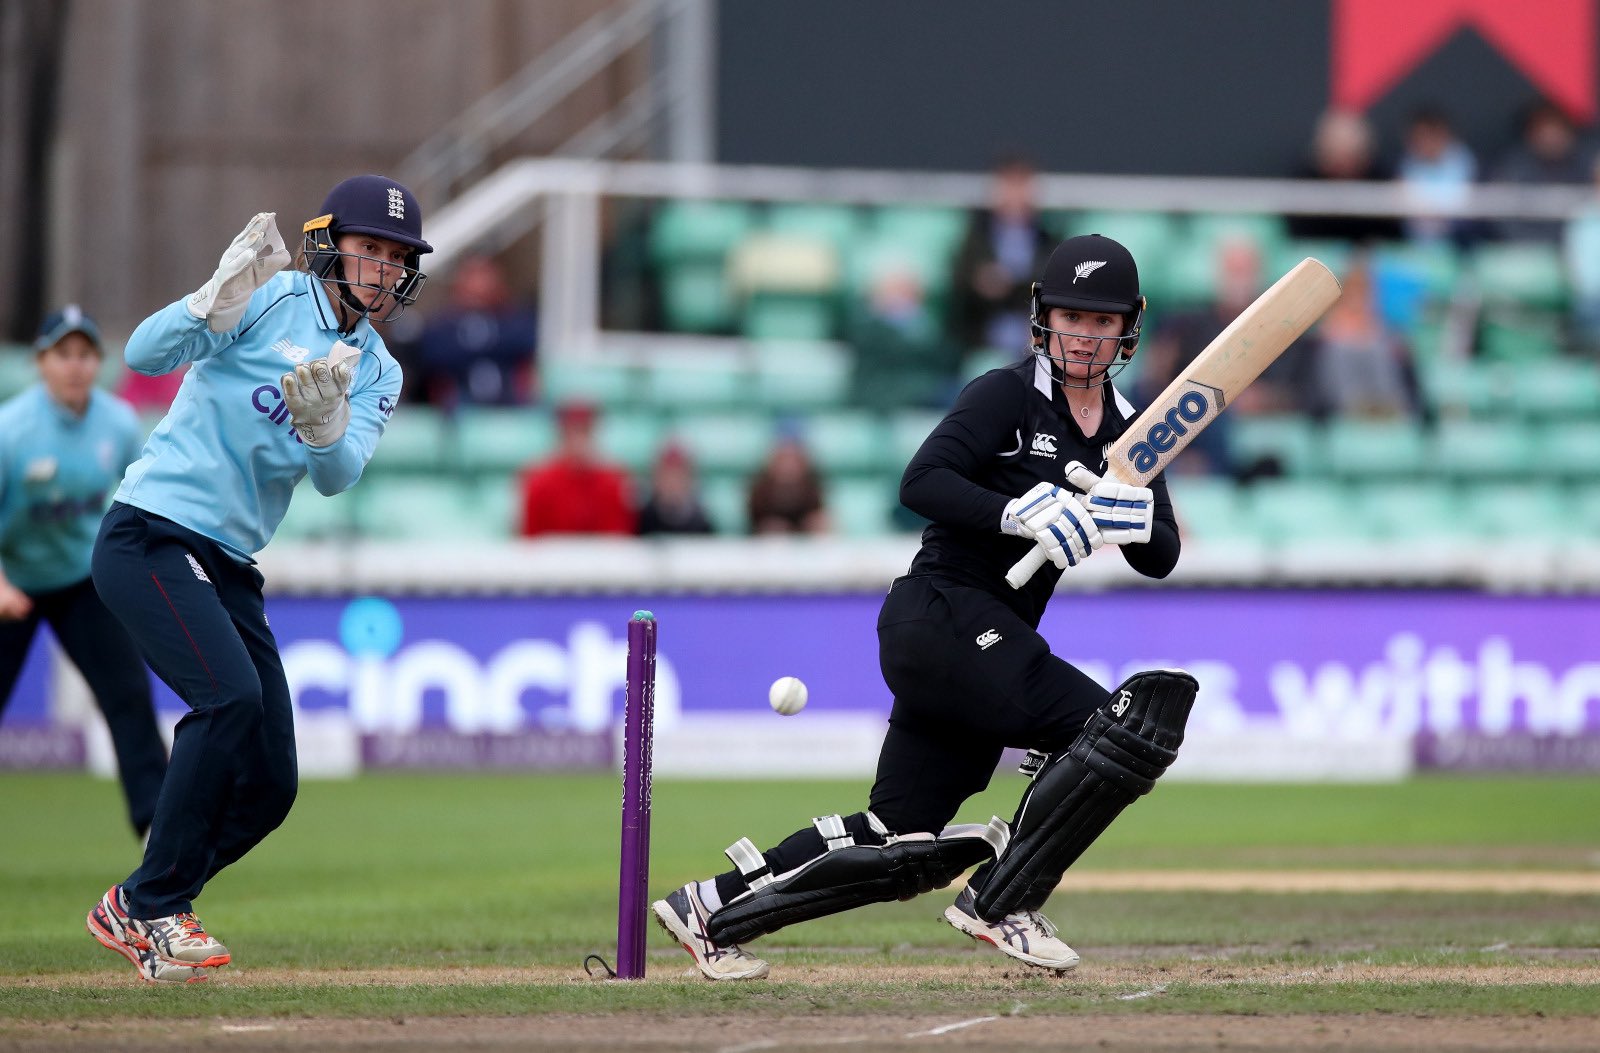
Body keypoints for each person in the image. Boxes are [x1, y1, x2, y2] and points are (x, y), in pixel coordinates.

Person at [651, 234, 1193, 980]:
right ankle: (1003, 901)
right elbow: (921, 481)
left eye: (1101, 322)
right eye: (1071, 316)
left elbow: (1159, 553)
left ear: (1128, 325)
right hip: (940, 614)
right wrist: (1019, 512)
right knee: (1120, 728)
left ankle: (709, 906)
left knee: (895, 839)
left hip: (981, 649)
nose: (1083, 335)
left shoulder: (1135, 431)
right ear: (1043, 317)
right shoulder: (1005, 394)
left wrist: (1133, 520)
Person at [83, 174, 431, 984]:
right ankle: (152, 909)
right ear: (330, 244)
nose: (379, 267)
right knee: (229, 699)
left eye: (394, 256)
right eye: (368, 247)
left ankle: (144, 900)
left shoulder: (378, 367)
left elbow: (339, 476)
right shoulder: (270, 297)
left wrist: (323, 425)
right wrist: (205, 304)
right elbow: (140, 355)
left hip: (228, 564)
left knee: (272, 783)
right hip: (151, 532)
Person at [0, 306, 167, 841]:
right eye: (62, 355)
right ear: (41, 363)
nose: (75, 367)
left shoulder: (117, 422)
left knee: (128, 696)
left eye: (85, 355)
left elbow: (141, 499)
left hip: (80, 579)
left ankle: (160, 831)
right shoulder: (11, 431)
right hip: (12, 579)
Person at [950, 156, 1056, 353]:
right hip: (982, 344)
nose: (1015, 195)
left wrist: (1010, 285)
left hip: (1036, 344)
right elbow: (959, 285)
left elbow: (1052, 287)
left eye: (1022, 186)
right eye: (1009, 186)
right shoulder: (975, 239)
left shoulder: (1049, 240)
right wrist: (979, 283)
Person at [413, 253, 537, 409]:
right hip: (456, 409)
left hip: (509, 408)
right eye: (472, 277)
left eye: (485, 277)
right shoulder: (440, 328)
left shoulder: (516, 323)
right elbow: (434, 358)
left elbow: (524, 347)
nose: (479, 285)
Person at [1285, 108, 1403, 244]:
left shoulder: (1381, 180)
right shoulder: (1304, 182)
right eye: (1336, 155)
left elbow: (1390, 233)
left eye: (1350, 156)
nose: (1343, 164)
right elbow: (1299, 235)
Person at [517, 402, 635, 536]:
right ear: (561, 435)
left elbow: (618, 538)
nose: (578, 441)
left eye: (584, 432)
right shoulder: (539, 481)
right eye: (571, 433)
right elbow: (531, 538)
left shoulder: (613, 481)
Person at [745, 430, 829, 535]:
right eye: (784, 459)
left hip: (805, 534)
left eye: (792, 460)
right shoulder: (760, 486)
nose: (788, 466)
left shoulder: (813, 483)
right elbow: (753, 517)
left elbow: (818, 511)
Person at [636, 443, 714, 536]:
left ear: (689, 479)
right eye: (666, 476)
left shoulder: (702, 523)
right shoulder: (641, 520)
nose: (672, 483)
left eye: (678, 476)